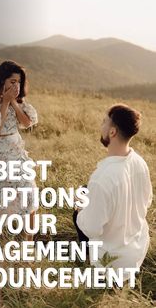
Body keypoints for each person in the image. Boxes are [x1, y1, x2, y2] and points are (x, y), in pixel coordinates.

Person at [74, 104, 153, 280]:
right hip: (136, 250)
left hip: (112, 262)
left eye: (104, 122)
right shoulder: (140, 162)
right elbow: (147, 201)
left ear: (112, 132)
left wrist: (80, 207)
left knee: (80, 203)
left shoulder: (102, 178)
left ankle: (91, 264)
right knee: (87, 191)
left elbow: (92, 229)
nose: (101, 126)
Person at [0, 60, 38, 240]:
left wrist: (14, 103)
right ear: (2, 79)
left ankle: (28, 248)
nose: (16, 85)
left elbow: (27, 122)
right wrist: (4, 102)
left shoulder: (17, 97)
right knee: (3, 200)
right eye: (12, 81)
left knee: (30, 194)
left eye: (19, 82)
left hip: (16, 150)